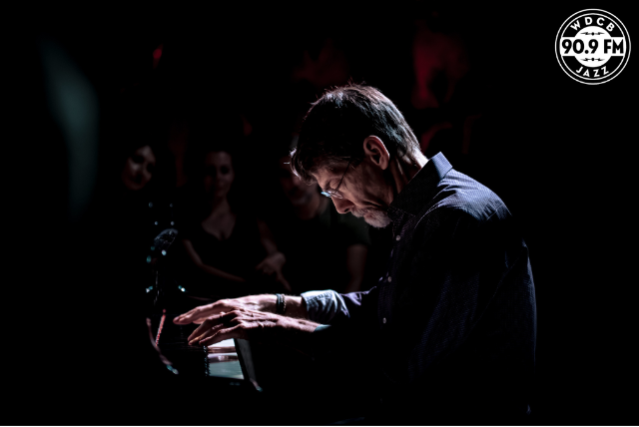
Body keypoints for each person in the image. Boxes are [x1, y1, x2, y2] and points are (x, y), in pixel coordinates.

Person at [172, 84, 536, 423]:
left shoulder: (456, 217)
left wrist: (275, 328)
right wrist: (280, 304)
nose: (341, 207)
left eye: (335, 187)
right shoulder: (421, 212)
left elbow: (398, 364)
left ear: (375, 153)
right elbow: (381, 309)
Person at [170, 145, 290, 299]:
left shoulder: (251, 217)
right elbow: (198, 268)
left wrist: (277, 262)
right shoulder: (187, 223)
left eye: (224, 170)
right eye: (210, 171)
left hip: (256, 304)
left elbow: (274, 256)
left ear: (234, 174)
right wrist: (249, 284)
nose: (218, 178)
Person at [268, 151, 370, 294]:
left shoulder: (345, 215)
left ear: (316, 175)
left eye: (301, 174)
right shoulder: (274, 218)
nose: (294, 182)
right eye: (285, 175)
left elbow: (355, 280)